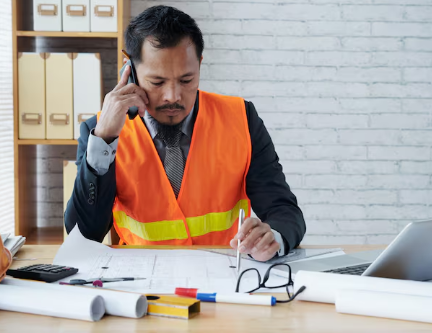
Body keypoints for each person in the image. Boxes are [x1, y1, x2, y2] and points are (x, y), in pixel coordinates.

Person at [64, 5, 305, 262]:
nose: (173, 96)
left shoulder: (242, 119)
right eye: (157, 82)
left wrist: (273, 237)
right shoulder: (99, 131)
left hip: (224, 279)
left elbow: (284, 210)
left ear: (199, 65)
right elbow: (83, 235)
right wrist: (104, 139)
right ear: (130, 71)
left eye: (186, 80)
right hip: (139, 283)